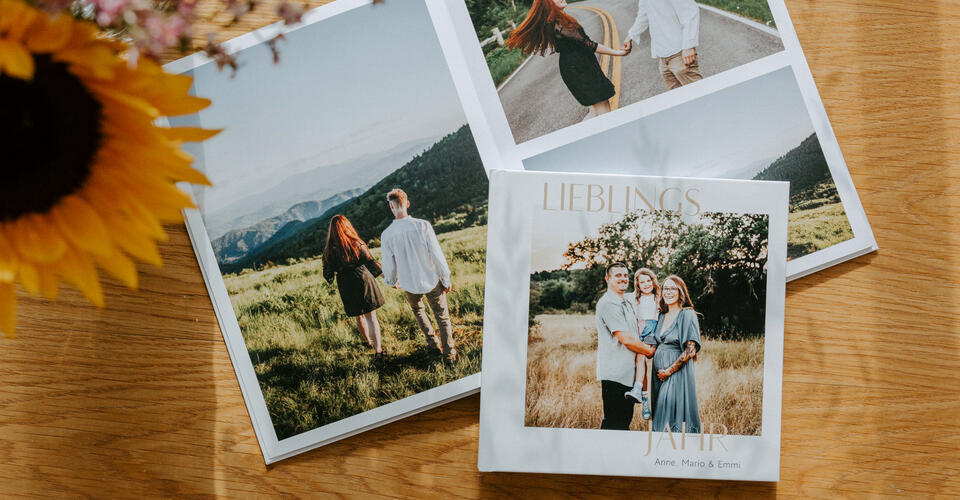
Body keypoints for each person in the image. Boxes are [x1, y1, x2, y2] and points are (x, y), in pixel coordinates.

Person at [506, 0, 631, 117]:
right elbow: (588, 44)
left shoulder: (558, 20)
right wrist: (617, 52)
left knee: (598, 107)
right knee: (602, 106)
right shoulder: (558, 24)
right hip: (579, 67)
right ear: (548, 3)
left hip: (578, 66)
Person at [380, 188, 457, 363]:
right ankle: (449, 354)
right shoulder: (423, 226)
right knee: (442, 317)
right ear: (407, 203)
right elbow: (437, 254)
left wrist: (392, 281)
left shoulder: (387, 235)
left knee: (419, 311)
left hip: (408, 282)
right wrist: (445, 278)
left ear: (391, 206)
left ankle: (433, 345)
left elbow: (389, 263)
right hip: (431, 279)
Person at [594, 262, 656, 430]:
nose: (623, 279)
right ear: (608, 278)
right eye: (618, 275)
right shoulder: (609, 304)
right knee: (614, 425)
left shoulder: (626, 302)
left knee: (623, 424)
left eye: (625, 275)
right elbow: (626, 339)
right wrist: (649, 351)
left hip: (628, 374)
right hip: (615, 375)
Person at [322, 215, 385, 355]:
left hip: (346, 284)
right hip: (363, 279)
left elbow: (327, 273)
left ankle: (368, 342)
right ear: (347, 226)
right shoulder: (356, 243)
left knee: (359, 316)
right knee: (371, 317)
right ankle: (378, 350)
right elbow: (371, 262)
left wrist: (335, 271)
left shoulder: (329, 250)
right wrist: (388, 278)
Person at [650, 275, 702, 433]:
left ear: (681, 292)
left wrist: (668, 371)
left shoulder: (687, 315)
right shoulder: (661, 316)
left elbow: (690, 350)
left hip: (675, 374)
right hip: (658, 375)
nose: (669, 292)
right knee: (660, 415)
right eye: (666, 288)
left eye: (673, 289)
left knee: (667, 416)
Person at [624, 0, 702, 90]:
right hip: (663, 58)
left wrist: (689, 46)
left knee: (699, 93)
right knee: (677, 97)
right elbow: (644, 15)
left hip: (679, 53)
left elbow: (690, 12)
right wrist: (631, 36)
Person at [623, 268, 662, 420]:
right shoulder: (634, 298)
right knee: (640, 361)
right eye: (642, 282)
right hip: (638, 331)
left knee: (642, 358)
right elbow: (620, 296)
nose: (646, 284)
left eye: (648, 280)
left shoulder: (658, 297)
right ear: (637, 285)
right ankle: (644, 397)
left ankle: (639, 389)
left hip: (651, 332)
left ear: (653, 281)